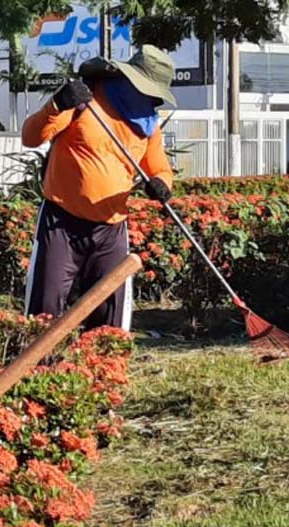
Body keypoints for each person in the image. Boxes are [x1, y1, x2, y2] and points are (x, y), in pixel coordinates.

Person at [21, 45, 176, 331]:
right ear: (130, 79)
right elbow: (30, 137)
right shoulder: (85, 99)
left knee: (109, 319)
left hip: (111, 230)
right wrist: (57, 104)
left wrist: (161, 186)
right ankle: (36, 373)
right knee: (45, 311)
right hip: (61, 223)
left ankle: (102, 374)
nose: (152, 98)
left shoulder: (148, 124)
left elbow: (161, 169)